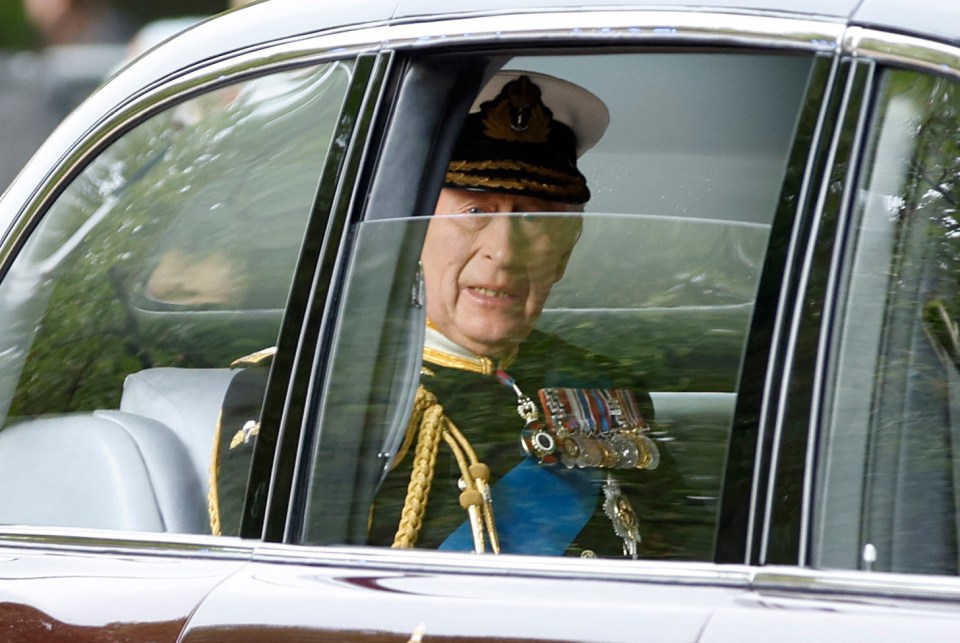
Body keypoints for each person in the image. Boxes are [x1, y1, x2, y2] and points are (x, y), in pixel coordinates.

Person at [365, 71, 678, 558]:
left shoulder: (602, 385)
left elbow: (678, 564)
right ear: (415, 235)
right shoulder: (314, 393)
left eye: (533, 217)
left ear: (564, 252)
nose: (504, 253)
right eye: (474, 213)